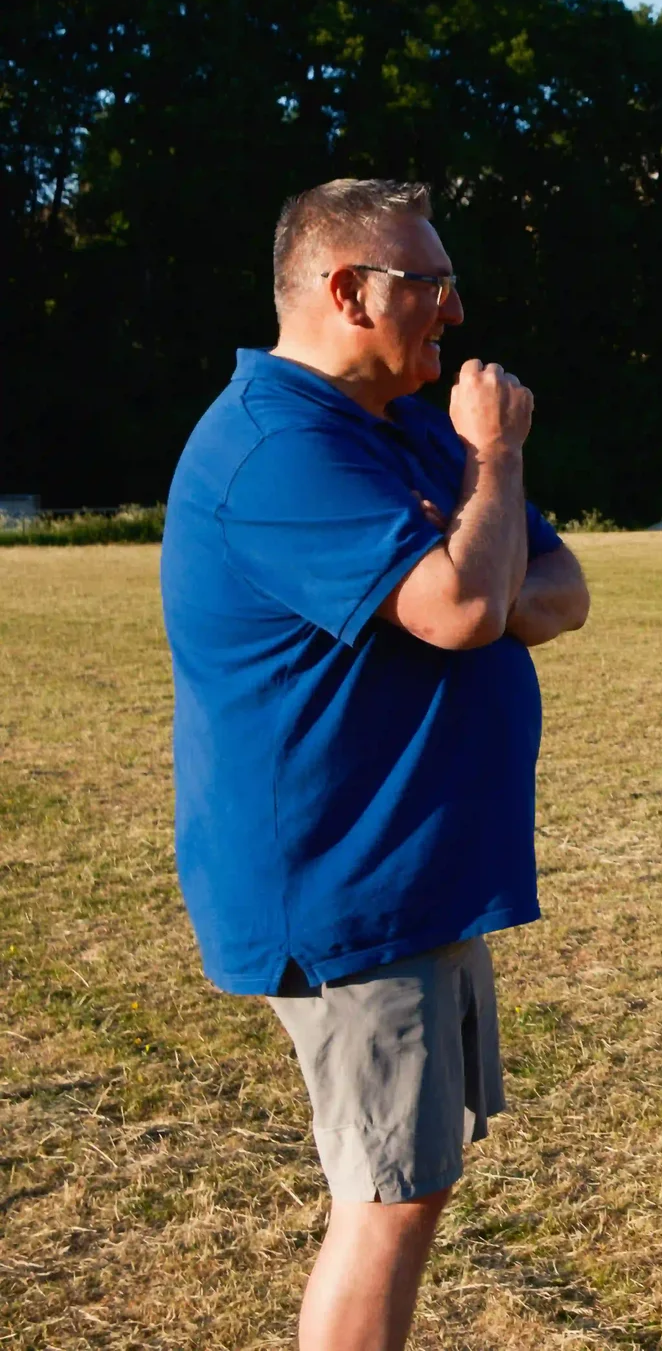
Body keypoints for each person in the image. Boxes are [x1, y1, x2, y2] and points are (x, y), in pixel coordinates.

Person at [162, 179, 590, 1351]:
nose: (454, 311)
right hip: (347, 887)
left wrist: (482, 554)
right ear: (350, 289)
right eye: (432, 283)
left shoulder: (398, 421)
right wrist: (493, 462)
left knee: (416, 1180)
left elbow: (560, 590)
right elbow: (462, 603)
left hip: (420, 870)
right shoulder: (275, 444)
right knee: (388, 1196)